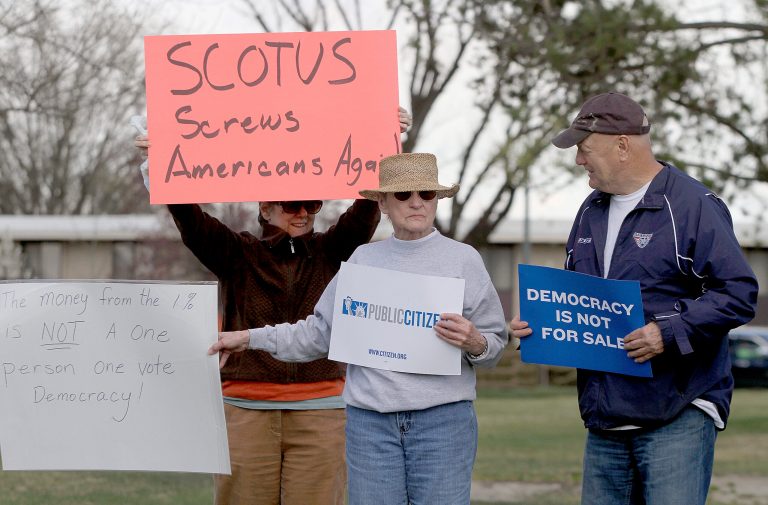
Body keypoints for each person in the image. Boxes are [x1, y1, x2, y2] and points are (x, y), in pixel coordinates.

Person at [135, 108, 412, 505]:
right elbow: (191, 219)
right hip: (246, 409)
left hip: (322, 409)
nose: (302, 213)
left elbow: (365, 207)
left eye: (312, 204)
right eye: (290, 204)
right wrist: (161, 163)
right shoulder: (237, 253)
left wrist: (385, 142)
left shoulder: (331, 250)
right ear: (265, 208)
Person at [209, 152, 509, 505]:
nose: (416, 203)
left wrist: (475, 342)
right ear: (382, 202)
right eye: (403, 194)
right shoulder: (363, 260)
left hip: (443, 423)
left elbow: (493, 346)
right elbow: (318, 334)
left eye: (426, 194)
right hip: (371, 427)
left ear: (437, 199)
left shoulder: (464, 259)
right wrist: (248, 337)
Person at [512, 92, 758, 505]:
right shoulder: (590, 210)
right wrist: (544, 323)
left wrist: (667, 332)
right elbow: (581, 299)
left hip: (677, 411)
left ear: (622, 145)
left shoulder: (694, 206)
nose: (578, 161)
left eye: (585, 149)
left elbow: (738, 292)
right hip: (605, 419)